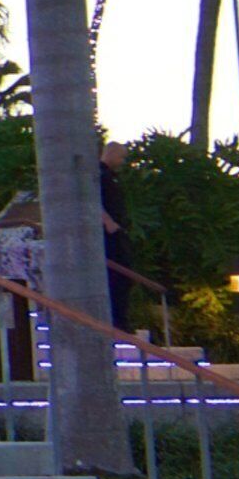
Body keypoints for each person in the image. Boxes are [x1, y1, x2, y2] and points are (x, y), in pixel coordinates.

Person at [99, 139, 137, 339]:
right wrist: (108, 222)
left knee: (124, 275)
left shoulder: (111, 176)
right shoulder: (100, 175)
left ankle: (120, 319)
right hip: (109, 234)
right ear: (111, 153)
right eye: (121, 157)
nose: (123, 161)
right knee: (118, 275)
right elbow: (93, 201)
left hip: (117, 231)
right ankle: (117, 321)